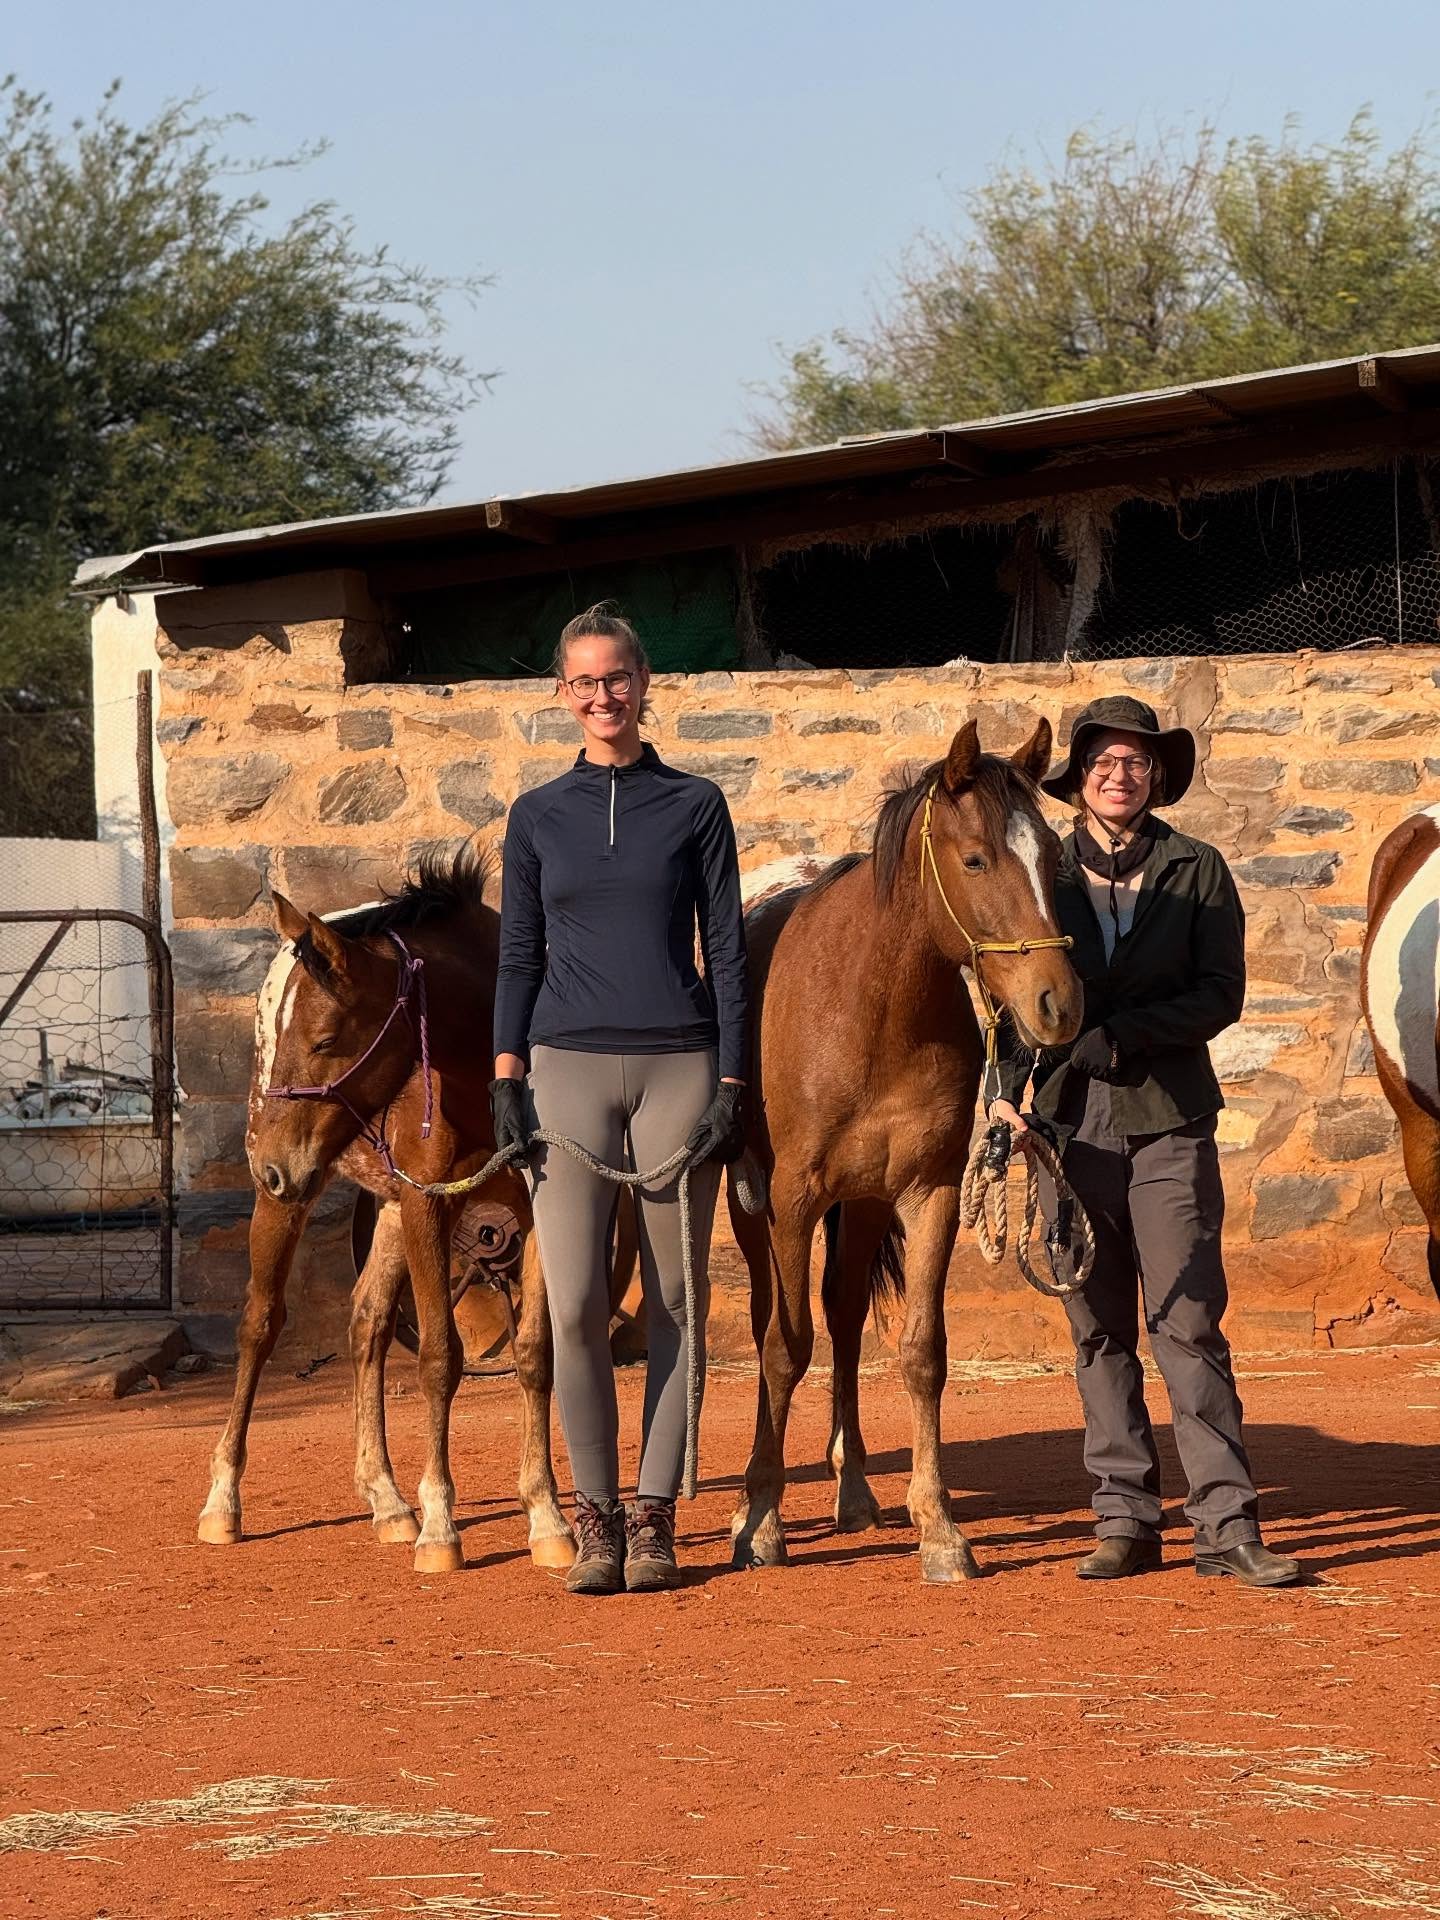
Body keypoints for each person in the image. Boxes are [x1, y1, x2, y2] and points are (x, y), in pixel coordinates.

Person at [992, 694, 1302, 1589]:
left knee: (1189, 1324)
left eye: (1135, 762)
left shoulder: (1197, 868)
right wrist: (1003, 1094)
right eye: (1103, 762)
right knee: (1097, 1332)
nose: (1119, 775)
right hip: (1064, 1127)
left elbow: (1221, 994)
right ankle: (1125, 1518)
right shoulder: (1041, 872)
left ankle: (1227, 1524)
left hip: (1168, 1119)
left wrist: (1124, 1037)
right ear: (1079, 779)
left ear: (1156, 776)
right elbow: (1004, 986)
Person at [491, 603, 749, 1596]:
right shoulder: (537, 816)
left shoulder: (694, 805)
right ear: (564, 695)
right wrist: (505, 1077)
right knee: (578, 1303)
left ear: (645, 685)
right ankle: (593, 1515)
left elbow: (725, 948)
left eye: (618, 678)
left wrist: (733, 1079)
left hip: (680, 1067)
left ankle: (655, 1515)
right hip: (564, 1069)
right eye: (584, 681)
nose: (603, 695)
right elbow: (518, 952)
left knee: (677, 1297)